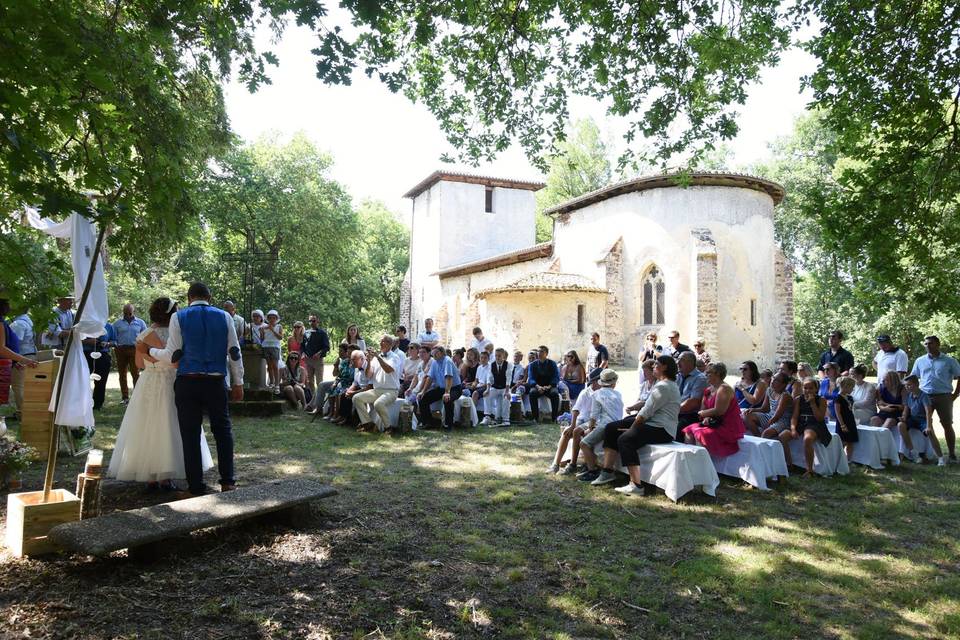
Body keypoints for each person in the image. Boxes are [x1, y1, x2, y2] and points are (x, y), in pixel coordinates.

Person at [140, 282, 244, 496]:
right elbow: (234, 351)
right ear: (210, 297)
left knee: (190, 434)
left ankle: (195, 485)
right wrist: (238, 382)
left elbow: (173, 354)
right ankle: (228, 481)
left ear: (189, 298)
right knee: (223, 431)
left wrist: (149, 350)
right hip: (216, 381)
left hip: (188, 381)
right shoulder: (225, 317)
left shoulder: (180, 317)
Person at [108, 297, 213, 490]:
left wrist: (150, 355)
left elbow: (139, 364)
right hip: (173, 380)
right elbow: (176, 360)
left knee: (149, 425)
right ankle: (166, 476)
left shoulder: (145, 334)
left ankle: (151, 476)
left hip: (150, 382)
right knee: (172, 423)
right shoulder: (178, 333)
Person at [594, 356, 680, 496]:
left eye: (656, 364)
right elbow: (646, 410)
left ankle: (636, 485)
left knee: (625, 439)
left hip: (662, 429)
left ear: (664, 367)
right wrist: (633, 425)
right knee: (611, 428)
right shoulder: (663, 384)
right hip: (652, 422)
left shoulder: (664, 386)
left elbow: (645, 412)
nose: (653, 367)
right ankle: (608, 471)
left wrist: (632, 428)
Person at [910, 335, 960, 465]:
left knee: (947, 424)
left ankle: (952, 454)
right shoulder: (920, 361)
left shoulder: (949, 361)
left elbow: (959, 376)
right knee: (923, 424)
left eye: (930, 343)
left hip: (944, 396)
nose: (928, 346)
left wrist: (955, 394)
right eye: (926, 344)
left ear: (938, 344)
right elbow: (913, 378)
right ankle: (924, 453)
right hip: (924, 396)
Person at [682, 362, 746, 457]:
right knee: (688, 430)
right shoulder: (708, 390)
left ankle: (703, 464)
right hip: (714, 423)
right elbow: (703, 410)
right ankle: (691, 461)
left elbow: (719, 411)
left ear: (718, 374)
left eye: (709, 372)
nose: (705, 374)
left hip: (727, 425)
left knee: (699, 433)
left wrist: (703, 414)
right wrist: (705, 418)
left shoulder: (724, 388)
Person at [549, 368, 602, 475]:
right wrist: (572, 425)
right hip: (583, 419)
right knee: (567, 432)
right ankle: (555, 464)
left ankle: (573, 464)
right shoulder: (586, 392)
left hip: (596, 420)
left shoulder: (603, 393)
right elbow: (576, 409)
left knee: (577, 431)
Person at [578, 369, 624, 485]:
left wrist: (590, 427)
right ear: (613, 383)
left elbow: (594, 415)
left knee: (584, 443)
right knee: (589, 441)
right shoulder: (618, 394)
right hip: (617, 424)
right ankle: (591, 466)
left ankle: (592, 470)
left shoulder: (597, 394)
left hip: (605, 425)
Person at [781, 377, 831, 476]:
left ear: (816, 389)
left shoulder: (821, 400)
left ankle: (809, 470)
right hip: (801, 422)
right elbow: (794, 417)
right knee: (783, 436)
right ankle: (789, 464)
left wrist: (812, 403)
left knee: (807, 438)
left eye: (811, 388)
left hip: (815, 423)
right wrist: (793, 428)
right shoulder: (798, 399)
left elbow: (820, 418)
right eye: (805, 388)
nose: (807, 390)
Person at [355, 335, 404, 433]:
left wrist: (377, 357)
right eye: (380, 341)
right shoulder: (376, 358)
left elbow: (388, 369)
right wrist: (368, 361)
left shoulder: (395, 357)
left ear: (390, 344)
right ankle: (368, 424)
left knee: (378, 403)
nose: (381, 343)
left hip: (391, 391)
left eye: (383, 341)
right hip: (377, 390)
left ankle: (388, 427)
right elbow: (368, 375)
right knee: (357, 398)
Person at [0, 299, 38, 418]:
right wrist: (24, 360)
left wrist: (15, 361)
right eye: (8, 303)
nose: (11, 306)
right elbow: (1, 349)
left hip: (8, 362)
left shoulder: (5, 322)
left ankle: (23, 413)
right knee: (18, 387)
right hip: (4, 363)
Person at [418, 346, 463, 431]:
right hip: (442, 388)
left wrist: (447, 392)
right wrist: (423, 391)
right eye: (433, 353)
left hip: (454, 388)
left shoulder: (447, 361)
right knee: (423, 398)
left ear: (442, 353)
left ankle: (448, 425)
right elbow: (430, 378)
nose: (434, 355)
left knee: (447, 399)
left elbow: (449, 377)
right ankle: (429, 423)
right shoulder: (435, 362)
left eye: (436, 353)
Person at [112, 303, 148, 404]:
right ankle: (125, 397)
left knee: (135, 373)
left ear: (133, 312)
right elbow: (113, 337)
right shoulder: (117, 323)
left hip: (134, 350)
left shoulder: (140, 322)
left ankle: (137, 397)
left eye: (129, 313)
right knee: (122, 374)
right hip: (121, 350)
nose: (127, 315)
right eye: (125, 313)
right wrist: (116, 344)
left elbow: (145, 336)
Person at [899, 374, 933, 463]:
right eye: (906, 385)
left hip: (923, 420)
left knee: (930, 432)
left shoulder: (924, 396)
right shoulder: (909, 395)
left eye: (909, 385)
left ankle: (939, 457)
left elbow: (928, 412)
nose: (907, 387)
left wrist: (929, 426)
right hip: (913, 419)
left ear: (917, 384)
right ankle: (913, 451)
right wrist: (903, 417)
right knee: (900, 425)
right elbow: (906, 409)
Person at [9, 308, 36, 415]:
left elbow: (15, 343)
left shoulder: (18, 324)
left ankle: (22, 412)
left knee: (18, 385)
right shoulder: (26, 321)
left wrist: (15, 360)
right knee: (23, 385)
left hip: (22, 356)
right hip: (28, 355)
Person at [83, 321, 115, 411]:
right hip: (86, 354)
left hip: (103, 354)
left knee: (101, 380)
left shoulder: (108, 326)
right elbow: (77, 340)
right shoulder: (86, 324)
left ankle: (98, 404)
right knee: (84, 379)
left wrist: (107, 344)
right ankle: (84, 403)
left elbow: (114, 341)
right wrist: (87, 341)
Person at [676, 351, 708, 437]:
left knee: (676, 430)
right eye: (678, 359)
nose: (678, 362)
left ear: (691, 363)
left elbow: (693, 403)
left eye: (681, 360)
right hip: (675, 412)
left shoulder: (700, 379)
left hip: (690, 415)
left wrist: (672, 410)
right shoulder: (677, 376)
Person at [754, 372, 795, 439]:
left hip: (783, 421)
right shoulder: (769, 390)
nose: (772, 381)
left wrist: (768, 426)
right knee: (747, 417)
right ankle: (758, 439)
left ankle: (761, 443)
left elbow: (777, 416)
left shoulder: (785, 396)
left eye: (777, 380)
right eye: (773, 378)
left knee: (766, 433)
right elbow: (764, 408)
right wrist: (753, 410)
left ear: (783, 385)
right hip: (770, 416)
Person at [527, 345, 561, 422]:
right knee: (532, 393)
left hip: (549, 386)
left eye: (542, 351)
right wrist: (538, 387)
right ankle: (535, 418)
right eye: (538, 351)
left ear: (546, 353)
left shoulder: (552, 363)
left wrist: (548, 386)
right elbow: (531, 378)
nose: (539, 353)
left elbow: (556, 377)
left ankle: (554, 418)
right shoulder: (532, 365)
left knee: (555, 394)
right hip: (537, 386)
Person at [337, 350, 372, 427]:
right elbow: (355, 383)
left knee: (355, 397)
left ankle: (359, 421)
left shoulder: (369, 367)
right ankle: (345, 418)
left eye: (354, 360)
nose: (352, 362)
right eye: (351, 359)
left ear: (362, 359)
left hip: (368, 390)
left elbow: (369, 387)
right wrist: (349, 390)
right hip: (360, 388)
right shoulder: (357, 368)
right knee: (344, 395)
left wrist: (354, 393)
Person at [327, 344, 356, 423]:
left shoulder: (356, 363)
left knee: (339, 392)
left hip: (351, 384)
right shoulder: (344, 362)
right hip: (342, 382)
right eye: (349, 353)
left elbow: (355, 379)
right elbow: (337, 375)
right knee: (331, 389)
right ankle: (331, 413)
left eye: (351, 353)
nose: (349, 355)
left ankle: (337, 414)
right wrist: (336, 366)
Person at [301, 315, 330, 392]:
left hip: (318, 360)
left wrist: (319, 353)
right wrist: (303, 353)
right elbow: (302, 346)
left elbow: (327, 347)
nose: (311, 323)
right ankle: (312, 399)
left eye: (313, 321)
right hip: (308, 360)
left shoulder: (322, 333)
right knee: (310, 381)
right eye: (310, 321)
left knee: (319, 382)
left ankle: (319, 400)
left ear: (317, 321)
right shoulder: (306, 333)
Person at [833, 376, 859, 460]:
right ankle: (838, 459)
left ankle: (848, 459)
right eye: (851, 387)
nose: (852, 389)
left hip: (850, 421)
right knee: (842, 441)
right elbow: (838, 412)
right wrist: (842, 425)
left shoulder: (850, 398)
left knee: (850, 441)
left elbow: (851, 410)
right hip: (843, 422)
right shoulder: (838, 398)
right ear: (845, 386)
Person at [486, 347, 513, 426]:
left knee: (506, 398)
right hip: (495, 387)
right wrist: (487, 389)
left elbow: (508, 378)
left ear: (503, 356)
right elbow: (489, 378)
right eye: (496, 355)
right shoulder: (492, 364)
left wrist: (507, 392)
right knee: (487, 395)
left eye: (499, 356)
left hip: (505, 388)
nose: (497, 357)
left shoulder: (508, 365)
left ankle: (506, 420)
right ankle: (487, 416)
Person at [261, 310, 283, 391]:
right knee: (269, 366)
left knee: (275, 366)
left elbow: (280, 337)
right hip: (266, 346)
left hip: (275, 347)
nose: (272, 319)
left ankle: (277, 384)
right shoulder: (264, 327)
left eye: (274, 318)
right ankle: (271, 383)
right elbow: (262, 339)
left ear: (276, 318)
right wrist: (261, 332)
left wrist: (272, 330)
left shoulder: (279, 326)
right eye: (270, 318)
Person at [474, 349, 492, 422]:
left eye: (485, 358)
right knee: (465, 390)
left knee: (475, 393)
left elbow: (489, 381)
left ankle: (473, 415)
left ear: (488, 359)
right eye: (481, 358)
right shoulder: (479, 367)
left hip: (486, 386)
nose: (483, 359)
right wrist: (473, 385)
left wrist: (478, 386)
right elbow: (476, 380)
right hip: (479, 386)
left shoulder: (490, 367)